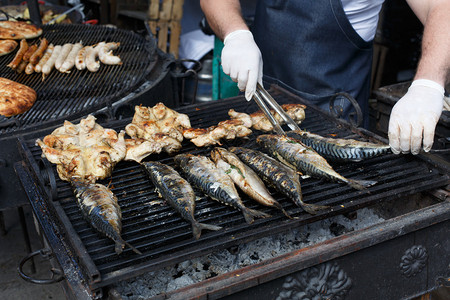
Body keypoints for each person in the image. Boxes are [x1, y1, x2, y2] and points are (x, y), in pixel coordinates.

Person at [200, 0, 449, 155]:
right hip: (260, 105)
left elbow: (441, 6)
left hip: (335, 122)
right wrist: (235, 34)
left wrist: (427, 85)